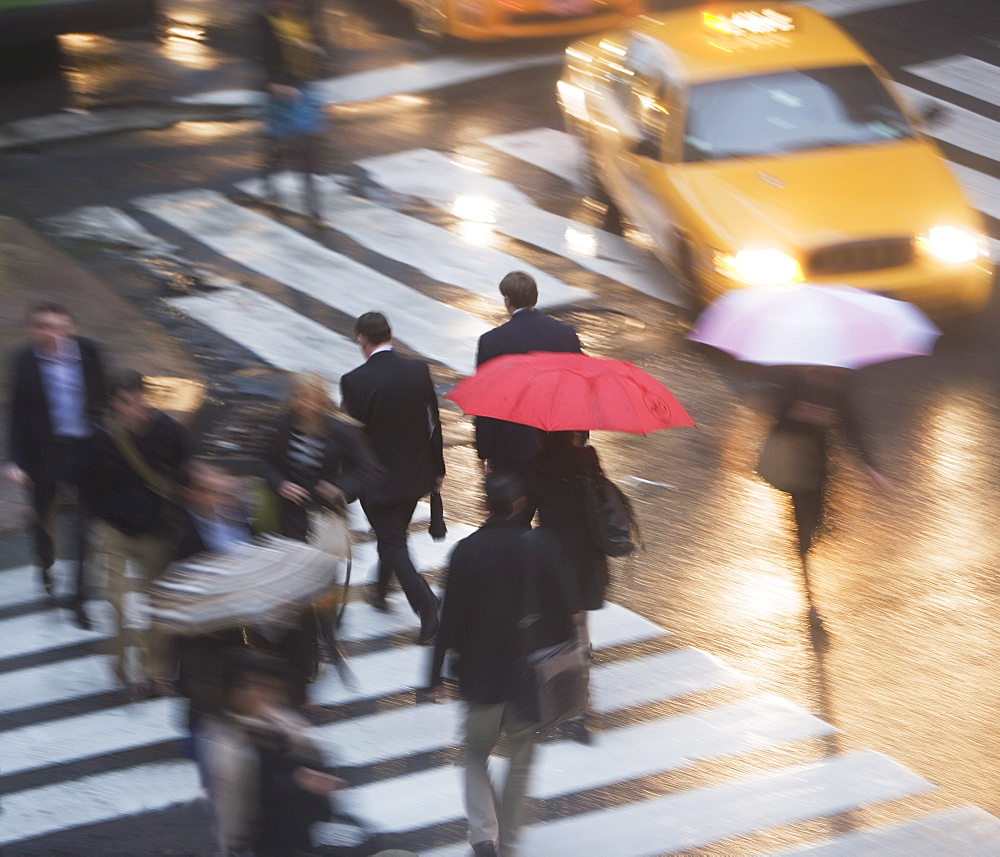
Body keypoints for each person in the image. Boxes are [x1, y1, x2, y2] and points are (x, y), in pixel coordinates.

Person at [429, 473, 578, 857]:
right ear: (518, 504)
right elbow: (564, 610)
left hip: (479, 675)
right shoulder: (540, 547)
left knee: (475, 753)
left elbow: (449, 620)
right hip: (526, 676)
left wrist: (434, 676)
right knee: (521, 757)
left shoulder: (466, 550)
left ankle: (482, 835)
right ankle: (508, 838)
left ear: (484, 505)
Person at [87, 371, 193, 699]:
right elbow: (87, 486)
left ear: (145, 398)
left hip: (156, 530)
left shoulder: (169, 432)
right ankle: (122, 669)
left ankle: (154, 673)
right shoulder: (102, 436)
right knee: (115, 601)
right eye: (121, 403)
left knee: (159, 604)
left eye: (133, 401)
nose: (128, 409)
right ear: (113, 403)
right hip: (113, 529)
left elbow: (186, 476)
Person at [341, 312, 444, 644]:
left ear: (362, 339)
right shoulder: (418, 370)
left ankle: (427, 607)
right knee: (393, 535)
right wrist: (438, 468)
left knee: (392, 541)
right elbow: (434, 423)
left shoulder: (354, 381)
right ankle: (381, 589)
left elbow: (351, 438)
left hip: (378, 480)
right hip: (416, 474)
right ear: (391, 334)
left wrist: (345, 482)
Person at [3, 302, 106, 629]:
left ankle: (78, 598)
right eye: (42, 326)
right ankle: (46, 564)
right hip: (43, 453)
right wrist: (13, 461)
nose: (50, 333)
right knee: (43, 519)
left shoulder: (90, 353)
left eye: (57, 326)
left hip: (84, 450)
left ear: (70, 327)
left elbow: (102, 402)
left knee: (86, 527)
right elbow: (17, 413)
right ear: (33, 329)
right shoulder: (24, 360)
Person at [200, 650, 342, 857]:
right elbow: (233, 805)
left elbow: (315, 759)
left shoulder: (286, 722)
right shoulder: (228, 742)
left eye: (272, 687)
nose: (271, 693)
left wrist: (313, 776)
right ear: (236, 693)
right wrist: (233, 845)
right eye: (261, 687)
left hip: (301, 832)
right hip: (269, 840)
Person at [524, 430, 609, 743]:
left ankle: (565, 710)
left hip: (554, 563)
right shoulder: (588, 459)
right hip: (588, 561)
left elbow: (525, 516)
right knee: (579, 633)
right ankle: (577, 711)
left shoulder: (535, 466)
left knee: (557, 637)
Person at [474, 271, 581, 481]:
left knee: (514, 511)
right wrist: (579, 436)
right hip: (558, 441)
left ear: (507, 300)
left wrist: (484, 451)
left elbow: (487, 401)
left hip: (511, 448)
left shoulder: (492, 341)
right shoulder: (565, 334)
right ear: (535, 297)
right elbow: (578, 387)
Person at [263, 372, 384, 544]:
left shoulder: (342, 431)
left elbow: (371, 469)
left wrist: (340, 487)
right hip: (290, 515)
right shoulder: (282, 426)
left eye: (313, 399)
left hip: (327, 515)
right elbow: (266, 462)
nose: (308, 405)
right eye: (302, 398)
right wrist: (280, 483)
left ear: (322, 400)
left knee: (324, 567)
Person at [259, 0, 327, 220]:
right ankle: (270, 184)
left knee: (307, 148)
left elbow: (321, 47)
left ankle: (312, 204)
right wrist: (272, 86)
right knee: (278, 143)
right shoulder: (266, 22)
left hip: (305, 89)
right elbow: (261, 61)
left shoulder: (309, 17)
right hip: (280, 90)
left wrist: (315, 49)